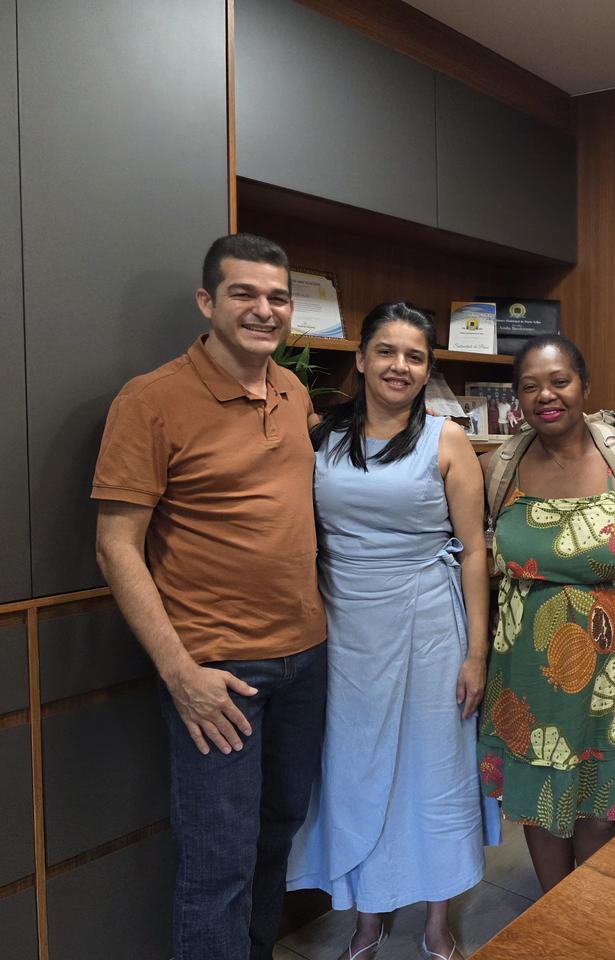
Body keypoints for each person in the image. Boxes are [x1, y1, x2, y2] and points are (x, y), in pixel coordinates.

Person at [92, 233, 327, 960]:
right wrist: (180, 674)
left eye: (278, 297)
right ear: (207, 301)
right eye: (243, 293)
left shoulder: (292, 391)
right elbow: (116, 547)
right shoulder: (151, 400)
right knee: (218, 862)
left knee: (276, 837)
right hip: (220, 673)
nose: (264, 309)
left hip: (305, 660)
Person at [287, 302, 489, 960]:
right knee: (353, 769)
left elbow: (474, 552)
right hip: (344, 628)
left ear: (428, 370)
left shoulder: (447, 439)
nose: (399, 366)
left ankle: (436, 919)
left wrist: (477, 654)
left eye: (415, 356)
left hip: (429, 626)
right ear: (361, 357)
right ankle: (367, 917)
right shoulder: (321, 435)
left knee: (435, 770)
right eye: (386, 351)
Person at [477, 334, 615, 893]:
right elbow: (466, 556)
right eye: (530, 386)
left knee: (601, 805)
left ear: (584, 386)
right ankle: (554, 908)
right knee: (540, 803)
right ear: (517, 398)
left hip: (614, 669)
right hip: (525, 672)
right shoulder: (499, 467)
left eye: (560, 381)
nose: (546, 395)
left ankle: (589, 914)